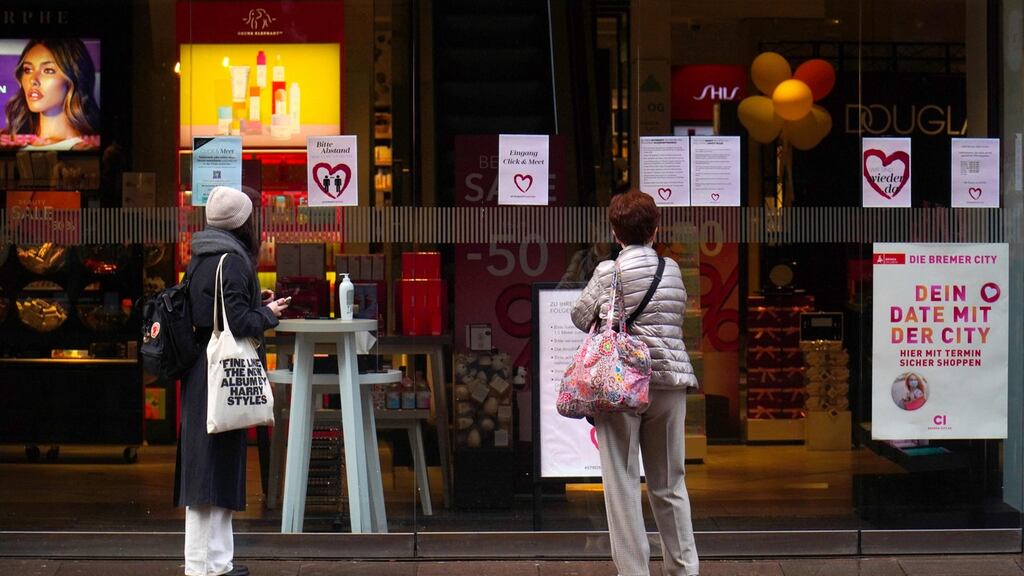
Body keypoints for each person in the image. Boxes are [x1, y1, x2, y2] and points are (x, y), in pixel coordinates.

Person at [570, 190, 700, 576]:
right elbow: (676, 315)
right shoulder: (671, 270)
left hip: (622, 385)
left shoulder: (608, 272)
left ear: (615, 232)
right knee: (670, 483)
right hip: (669, 382)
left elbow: (579, 316)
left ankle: (634, 571)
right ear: (655, 229)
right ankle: (684, 568)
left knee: (623, 484)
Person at [173, 186, 289, 576]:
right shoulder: (234, 261)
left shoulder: (201, 256)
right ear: (243, 223)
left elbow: (212, 311)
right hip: (220, 377)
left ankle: (212, 563)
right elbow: (238, 323)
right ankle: (207, 567)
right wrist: (269, 313)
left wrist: (256, 302)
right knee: (215, 473)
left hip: (201, 374)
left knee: (205, 474)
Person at [4, 38, 100, 150]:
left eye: (48, 70)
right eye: (28, 70)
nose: (32, 80)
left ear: (73, 78)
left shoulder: (89, 150)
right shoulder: (7, 142)